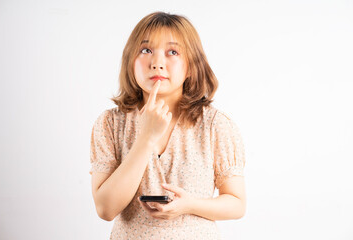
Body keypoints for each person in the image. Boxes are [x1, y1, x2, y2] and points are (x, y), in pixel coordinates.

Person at [89, 11, 246, 240]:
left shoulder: (215, 125)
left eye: (172, 52)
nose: (157, 63)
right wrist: (145, 138)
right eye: (146, 50)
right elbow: (106, 209)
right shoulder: (110, 124)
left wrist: (189, 205)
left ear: (191, 65)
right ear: (130, 61)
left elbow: (237, 203)